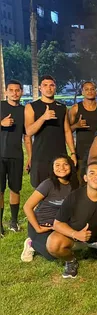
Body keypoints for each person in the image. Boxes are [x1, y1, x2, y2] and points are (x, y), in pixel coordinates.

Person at [47, 161, 97, 278]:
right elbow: (57, 223)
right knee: (53, 243)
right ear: (85, 178)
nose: (96, 176)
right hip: (78, 239)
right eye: (92, 173)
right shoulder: (74, 196)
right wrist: (75, 234)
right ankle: (71, 261)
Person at [25, 75, 76, 188]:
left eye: (51, 85)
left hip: (59, 155)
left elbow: (67, 131)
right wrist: (43, 118)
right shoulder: (31, 107)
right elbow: (29, 131)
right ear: (40, 88)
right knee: (40, 189)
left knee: (62, 188)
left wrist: (73, 153)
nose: (49, 88)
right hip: (40, 156)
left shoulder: (62, 107)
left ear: (55, 87)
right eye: (45, 85)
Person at [21, 155, 76, 262]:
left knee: (61, 247)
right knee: (51, 255)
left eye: (65, 164)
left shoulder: (74, 185)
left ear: (70, 166)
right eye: (57, 165)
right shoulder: (48, 184)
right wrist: (38, 228)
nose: (62, 168)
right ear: (52, 168)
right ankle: (31, 243)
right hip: (41, 224)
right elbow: (27, 206)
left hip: (58, 225)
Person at [0, 80, 32, 234]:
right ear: (6, 92)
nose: (14, 93)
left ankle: (14, 222)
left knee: (15, 189)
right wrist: (1, 123)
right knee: (0, 191)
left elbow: (27, 136)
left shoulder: (24, 111)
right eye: (11, 90)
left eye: (17, 90)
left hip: (16, 155)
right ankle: (0, 225)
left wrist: (30, 157)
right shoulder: (1, 106)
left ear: (21, 92)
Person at [68, 81, 97, 178]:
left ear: (96, 92)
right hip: (81, 152)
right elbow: (68, 131)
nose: (90, 91)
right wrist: (76, 125)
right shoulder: (75, 108)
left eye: (92, 89)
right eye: (87, 89)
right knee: (81, 179)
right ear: (82, 92)